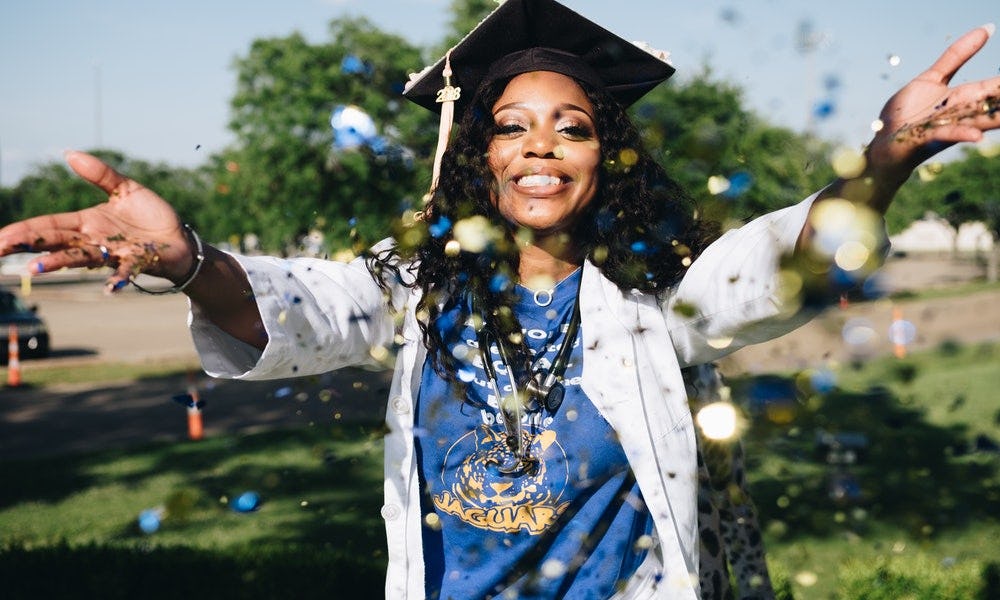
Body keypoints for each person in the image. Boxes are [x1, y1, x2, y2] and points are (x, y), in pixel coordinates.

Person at [1, 0, 997, 597]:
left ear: (607, 155)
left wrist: (886, 158)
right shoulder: (412, 292)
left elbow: (779, 262)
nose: (541, 145)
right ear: (476, 152)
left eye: (572, 126)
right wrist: (186, 263)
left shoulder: (660, 299)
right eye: (512, 125)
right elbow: (300, 307)